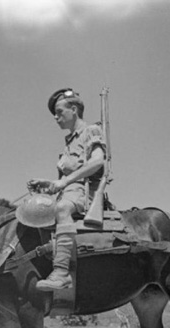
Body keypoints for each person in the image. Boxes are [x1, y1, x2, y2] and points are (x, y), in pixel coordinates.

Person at [28, 88, 106, 291]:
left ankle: (62, 273)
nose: (56, 117)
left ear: (74, 109)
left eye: (59, 111)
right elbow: (64, 179)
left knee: (62, 209)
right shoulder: (69, 142)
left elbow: (98, 161)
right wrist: (48, 183)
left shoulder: (91, 131)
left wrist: (64, 182)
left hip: (84, 191)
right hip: (68, 191)